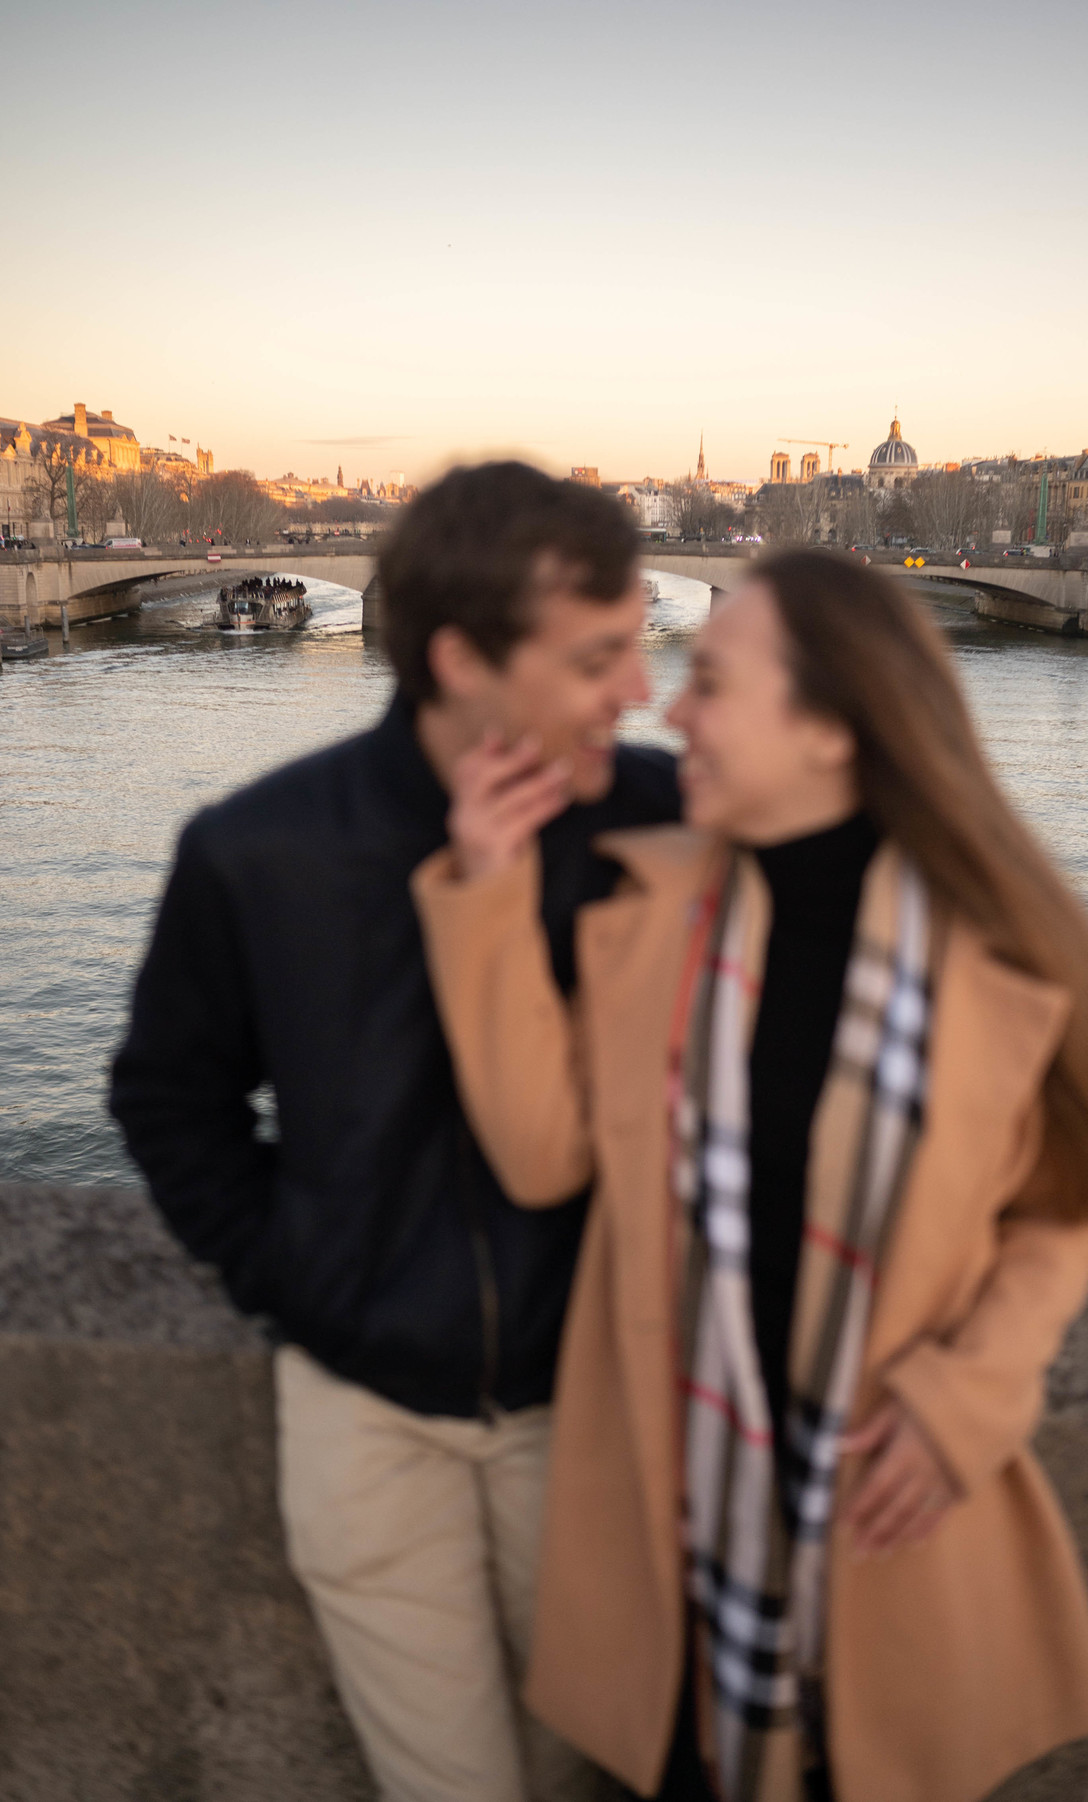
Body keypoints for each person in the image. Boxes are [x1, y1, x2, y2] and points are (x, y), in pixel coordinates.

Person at [412, 551, 1088, 1802]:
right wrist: (485, 885)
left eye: (715, 682)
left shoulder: (1012, 954)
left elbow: (1067, 1211)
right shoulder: (649, 921)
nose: (670, 708)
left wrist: (971, 1395)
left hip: (886, 1524)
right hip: (675, 1540)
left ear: (834, 727)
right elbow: (542, 1156)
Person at [109, 462, 679, 1802]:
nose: (641, 691)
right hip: (368, 1415)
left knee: (591, 1773)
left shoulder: (662, 824)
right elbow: (167, 1099)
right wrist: (303, 1281)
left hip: (594, 1412)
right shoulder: (259, 851)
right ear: (460, 659)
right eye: (600, 654)